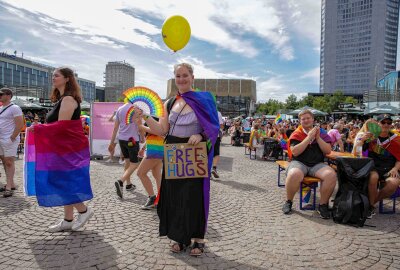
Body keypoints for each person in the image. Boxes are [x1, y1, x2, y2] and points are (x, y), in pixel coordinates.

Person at [138, 63, 219, 256]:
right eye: (178, 76)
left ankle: (198, 239)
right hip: (173, 151)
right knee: (175, 196)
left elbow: (214, 127)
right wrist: (146, 118)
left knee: (194, 195)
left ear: (192, 77)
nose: (181, 79)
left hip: (194, 149)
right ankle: (180, 237)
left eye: (185, 75)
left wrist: (201, 135)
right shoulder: (170, 102)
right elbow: (162, 130)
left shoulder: (204, 99)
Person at [29, 67, 93, 232]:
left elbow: (62, 128)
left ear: (67, 79)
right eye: (53, 76)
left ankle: (84, 211)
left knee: (61, 182)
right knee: (63, 182)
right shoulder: (62, 100)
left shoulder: (68, 100)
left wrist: (39, 128)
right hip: (62, 150)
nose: (53, 78)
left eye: (56, 75)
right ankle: (68, 220)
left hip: (66, 151)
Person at [282, 109, 336, 218]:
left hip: (317, 164)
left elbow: (328, 151)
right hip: (299, 162)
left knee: (331, 175)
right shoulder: (297, 133)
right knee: (294, 174)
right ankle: (289, 201)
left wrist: (318, 138)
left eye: (308, 118)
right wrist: (309, 137)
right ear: (300, 121)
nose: (306, 120)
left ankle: (323, 205)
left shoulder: (322, 132)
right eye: (303, 119)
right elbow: (295, 151)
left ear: (312, 119)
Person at [353, 115, 400, 217]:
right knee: (373, 177)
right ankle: (370, 205)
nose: (386, 125)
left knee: (394, 182)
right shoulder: (371, 137)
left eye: (389, 123)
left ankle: (371, 203)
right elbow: (356, 151)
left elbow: (399, 159)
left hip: (390, 168)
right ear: (378, 124)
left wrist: (396, 168)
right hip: (373, 167)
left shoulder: (396, 138)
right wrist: (361, 140)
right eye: (383, 122)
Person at [109, 102, 142, 199]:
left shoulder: (120, 109)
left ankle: (129, 184)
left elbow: (115, 128)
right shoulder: (136, 109)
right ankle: (121, 181)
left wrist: (111, 143)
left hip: (122, 139)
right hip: (132, 140)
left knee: (127, 161)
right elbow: (139, 126)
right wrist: (143, 137)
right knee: (135, 163)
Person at [0, 88, 24, 197]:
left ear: (9, 95)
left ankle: (8, 186)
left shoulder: (15, 108)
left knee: (9, 162)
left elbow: (19, 124)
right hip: (1, 138)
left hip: (9, 138)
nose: (0, 95)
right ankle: (11, 183)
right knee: (4, 161)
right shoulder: (1, 108)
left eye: (1, 94)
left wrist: (12, 137)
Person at [136, 125, 163, 209]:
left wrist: (141, 126)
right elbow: (152, 134)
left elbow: (158, 131)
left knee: (140, 173)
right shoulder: (152, 115)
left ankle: (152, 198)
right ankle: (162, 199)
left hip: (155, 148)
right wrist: (143, 147)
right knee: (157, 175)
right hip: (157, 146)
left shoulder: (154, 115)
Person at [211, 111, 224, 179]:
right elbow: (221, 125)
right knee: (216, 153)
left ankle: (207, 171)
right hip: (216, 135)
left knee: (206, 153)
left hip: (205, 135)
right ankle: (214, 168)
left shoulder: (203, 109)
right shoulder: (217, 113)